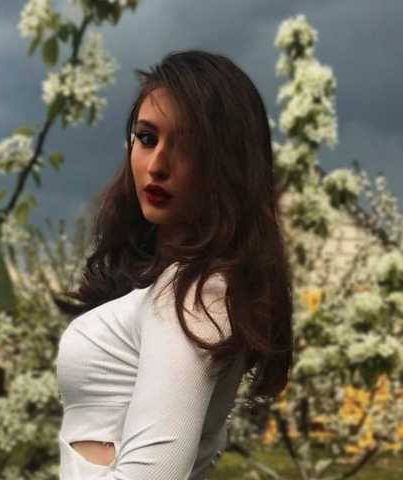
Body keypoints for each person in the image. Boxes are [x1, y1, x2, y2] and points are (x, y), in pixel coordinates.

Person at [52, 49, 294, 479]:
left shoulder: (195, 293)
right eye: (147, 138)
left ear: (230, 165)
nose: (157, 165)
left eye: (188, 146)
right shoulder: (169, 283)